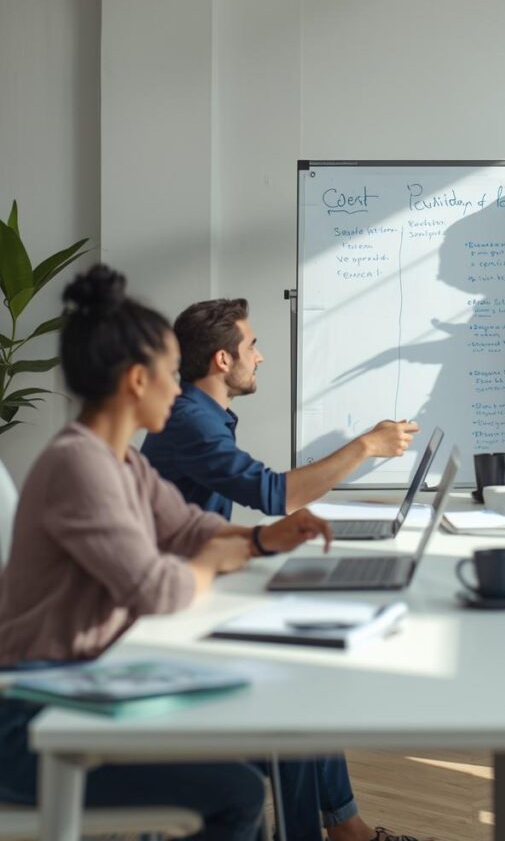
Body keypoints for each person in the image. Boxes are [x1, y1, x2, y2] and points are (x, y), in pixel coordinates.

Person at [0, 266, 427, 841]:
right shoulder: (80, 465)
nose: (178, 388)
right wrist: (217, 559)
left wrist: (257, 540)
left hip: (86, 684)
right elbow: (158, 587)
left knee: (277, 712)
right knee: (239, 789)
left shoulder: (117, 459)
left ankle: (335, 828)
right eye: (167, 374)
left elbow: (187, 526)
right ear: (135, 381)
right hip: (39, 716)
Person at [141, 297, 418, 519]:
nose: (259, 358)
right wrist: (366, 446)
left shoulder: (199, 415)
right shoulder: (193, 423)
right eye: (251, 348)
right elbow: (276, 496)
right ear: (223, 359)